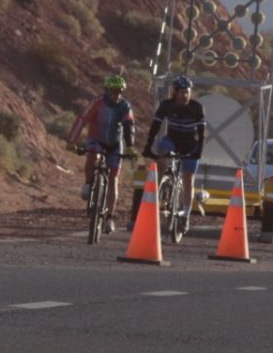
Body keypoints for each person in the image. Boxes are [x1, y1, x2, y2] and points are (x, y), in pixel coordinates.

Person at [67, 75, 136, 235]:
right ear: (107, 91)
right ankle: (88, 183)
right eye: (113, 91)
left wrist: (130, 147)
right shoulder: (97, 103)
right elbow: (82, 120)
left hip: (115, 144)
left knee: (113, 178)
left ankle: (110, 217)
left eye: (119, 91)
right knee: (93, 156)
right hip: (96, 140)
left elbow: (129, 126)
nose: (116, 94)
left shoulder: (125, 106)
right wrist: (72, 140)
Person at [142, 75, 205, 218]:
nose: (185, 95)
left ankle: (186, 212)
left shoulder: (197, 107)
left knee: (188, 177)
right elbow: (155, 126)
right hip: (172, 141)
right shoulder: (166, 105)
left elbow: (201, 134)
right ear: (175, 93)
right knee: (162, 152)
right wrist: (148, 146)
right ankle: (161, 186)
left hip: (190, 144)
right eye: (182, 92)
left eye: (187, 92)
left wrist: (199, 152)